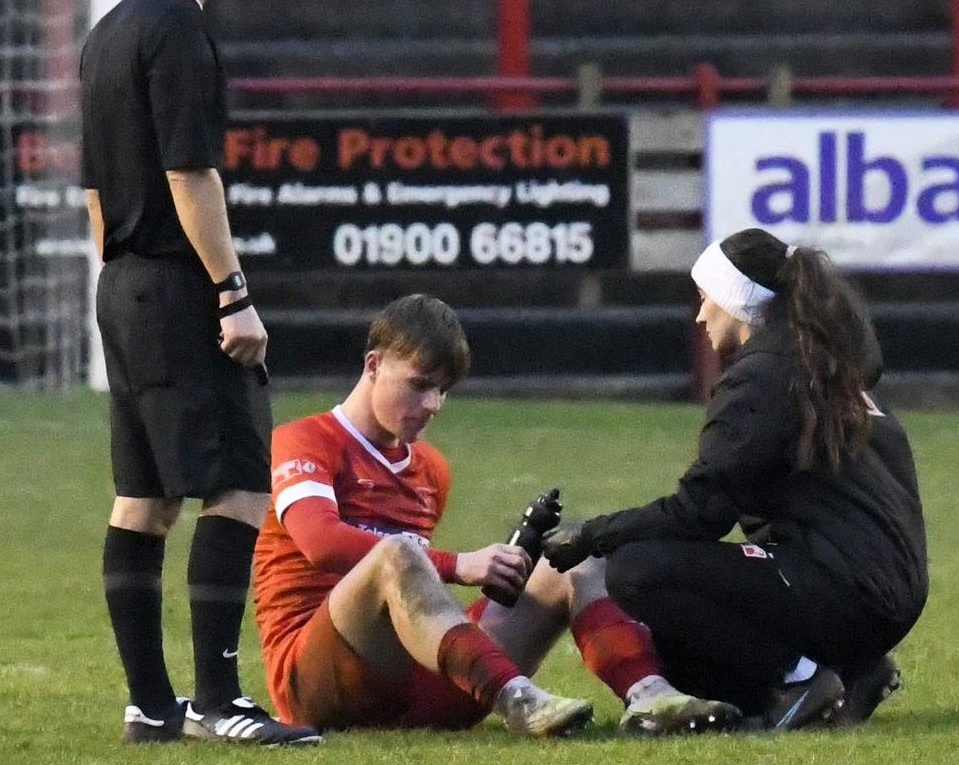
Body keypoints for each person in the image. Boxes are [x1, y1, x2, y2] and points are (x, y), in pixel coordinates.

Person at [252, 294, 742, 738]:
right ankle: (517, 698)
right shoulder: (305, 440)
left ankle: (651, 696)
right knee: (396, 554)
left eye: (442, 391)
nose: (432, 405)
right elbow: (318, 540)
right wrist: (457, 565)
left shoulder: (430, 468)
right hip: (316, 684)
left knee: (574, 560)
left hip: (412, 684)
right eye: (419, 385)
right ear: (373, 365)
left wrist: (506, 572)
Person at [81, 0, 319, 747]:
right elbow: (191, 172)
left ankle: (152, 703)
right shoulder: (178, 30)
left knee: (143, 497)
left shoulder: (106, 31)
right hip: (179, 286)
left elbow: (98, 192)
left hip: (121, 284)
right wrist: (232, 294)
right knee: (238, 485)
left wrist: (121, 286)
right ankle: (221, 703)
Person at [543, 229, 928, 731]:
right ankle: (854, 672)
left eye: (706, 299)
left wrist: (593, 535)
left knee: (638, 570)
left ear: (737, 300)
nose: (701, 315)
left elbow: (702, 512)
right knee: (683, 659)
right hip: (885, 591)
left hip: (844, 587)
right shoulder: (831, 371)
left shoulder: (763, 376)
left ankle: (800, 677)